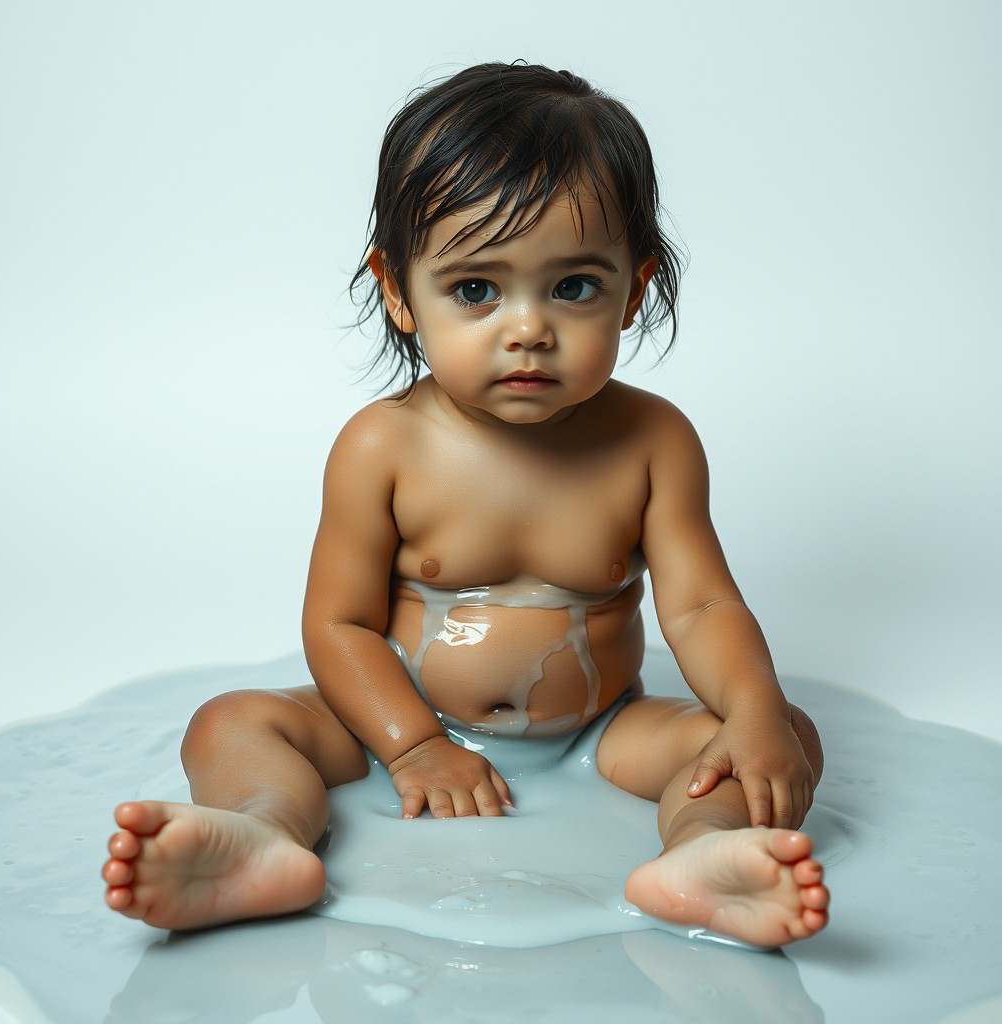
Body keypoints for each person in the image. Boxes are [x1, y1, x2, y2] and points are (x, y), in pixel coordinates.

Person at [102, 62, 829, 948]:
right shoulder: (385, 445)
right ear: (399, 292)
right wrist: (412, 745)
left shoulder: (653, 441)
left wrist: (752, 715)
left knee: (780, 732)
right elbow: (338, 625)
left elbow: (703, 602)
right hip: (392, 721)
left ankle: (703, 856)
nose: (528, 327)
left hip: (599, 731)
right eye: (476, 289)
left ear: (633, 290)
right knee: (231, 721)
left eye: (573, 287)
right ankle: (262, 834)